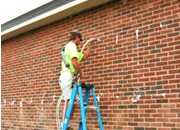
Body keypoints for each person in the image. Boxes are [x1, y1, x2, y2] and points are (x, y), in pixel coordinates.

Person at [59, 30, 95, 130]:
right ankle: (64, 124)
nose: (80, 42)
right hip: (67, 76)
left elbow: (84, 56)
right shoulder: (72, 46)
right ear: (76, 38)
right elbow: (74, 62)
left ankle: (67, 124)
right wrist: (81, 73)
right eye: (80, 40)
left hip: (68, 76)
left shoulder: (70, 48)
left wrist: (90, 45)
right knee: (69, 100)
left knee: (72, 102)